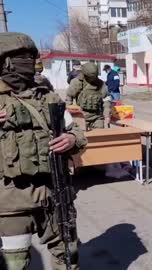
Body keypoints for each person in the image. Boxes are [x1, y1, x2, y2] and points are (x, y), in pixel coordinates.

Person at [0, 32, 87, 270]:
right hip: (10, 203)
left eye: (31, 56)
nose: (28, 61)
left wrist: (71, 139)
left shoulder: (46, 95)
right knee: (15, 264)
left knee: (68, 256)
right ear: (4, 61)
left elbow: (77, 131)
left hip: (54, 194)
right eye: (21, 57)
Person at [66, 63, 111, 130]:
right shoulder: (76, 82)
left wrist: (107, 116)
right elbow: (69, 98)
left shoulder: (101, 84)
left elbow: (106, 101)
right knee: (82, 138)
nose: (92, 79)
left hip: (97, 117)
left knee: (100, 136)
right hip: (81, 116)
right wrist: (71, 113)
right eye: (90, 77)